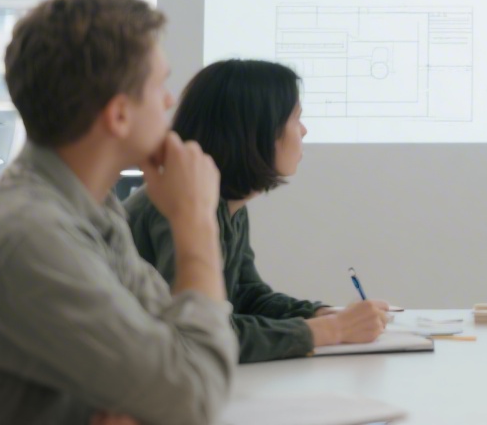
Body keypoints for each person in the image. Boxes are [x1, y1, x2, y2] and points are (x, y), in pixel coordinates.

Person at [0, 0, 236, 425]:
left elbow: (177, 351)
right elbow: (195, 393)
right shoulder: (29, 236)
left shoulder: (92, 208)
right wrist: (196, 222)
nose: (168, 102)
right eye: (160, 85)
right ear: (119, 115)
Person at [125, 59, 389, 363]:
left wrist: (318, 313)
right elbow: (202, 335)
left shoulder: (228, 204)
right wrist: (330, 330)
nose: (304, 130)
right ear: (258, 131)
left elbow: (247, 296)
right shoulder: (179, 205)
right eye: (296, 118)